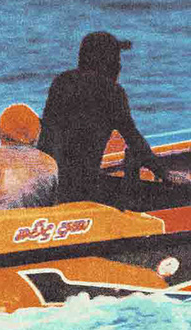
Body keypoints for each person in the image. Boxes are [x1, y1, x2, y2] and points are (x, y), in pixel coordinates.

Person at [37, 31, 172, 208]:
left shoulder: (61, 82)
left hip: (48, 181)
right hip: (82, 190)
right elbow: (135, 141)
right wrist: (165, 174)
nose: (119, 65)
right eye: (117, 59)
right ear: (108, 62)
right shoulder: (112, 92)